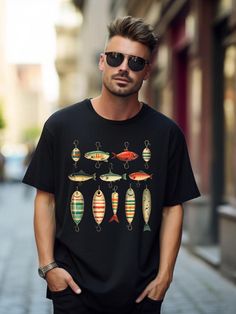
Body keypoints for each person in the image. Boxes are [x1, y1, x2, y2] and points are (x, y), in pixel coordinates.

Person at [22, 16, 200, 314]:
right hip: (73, 289)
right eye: (116, 58)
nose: (124, 68)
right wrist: (48, 266)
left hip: (141, 292)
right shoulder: (61, 125)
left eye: (135, 62)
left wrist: (164, 277)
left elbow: (172, 208)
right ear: (102, 61)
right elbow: (46, 200)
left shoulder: (166, 133)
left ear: (146, 73)